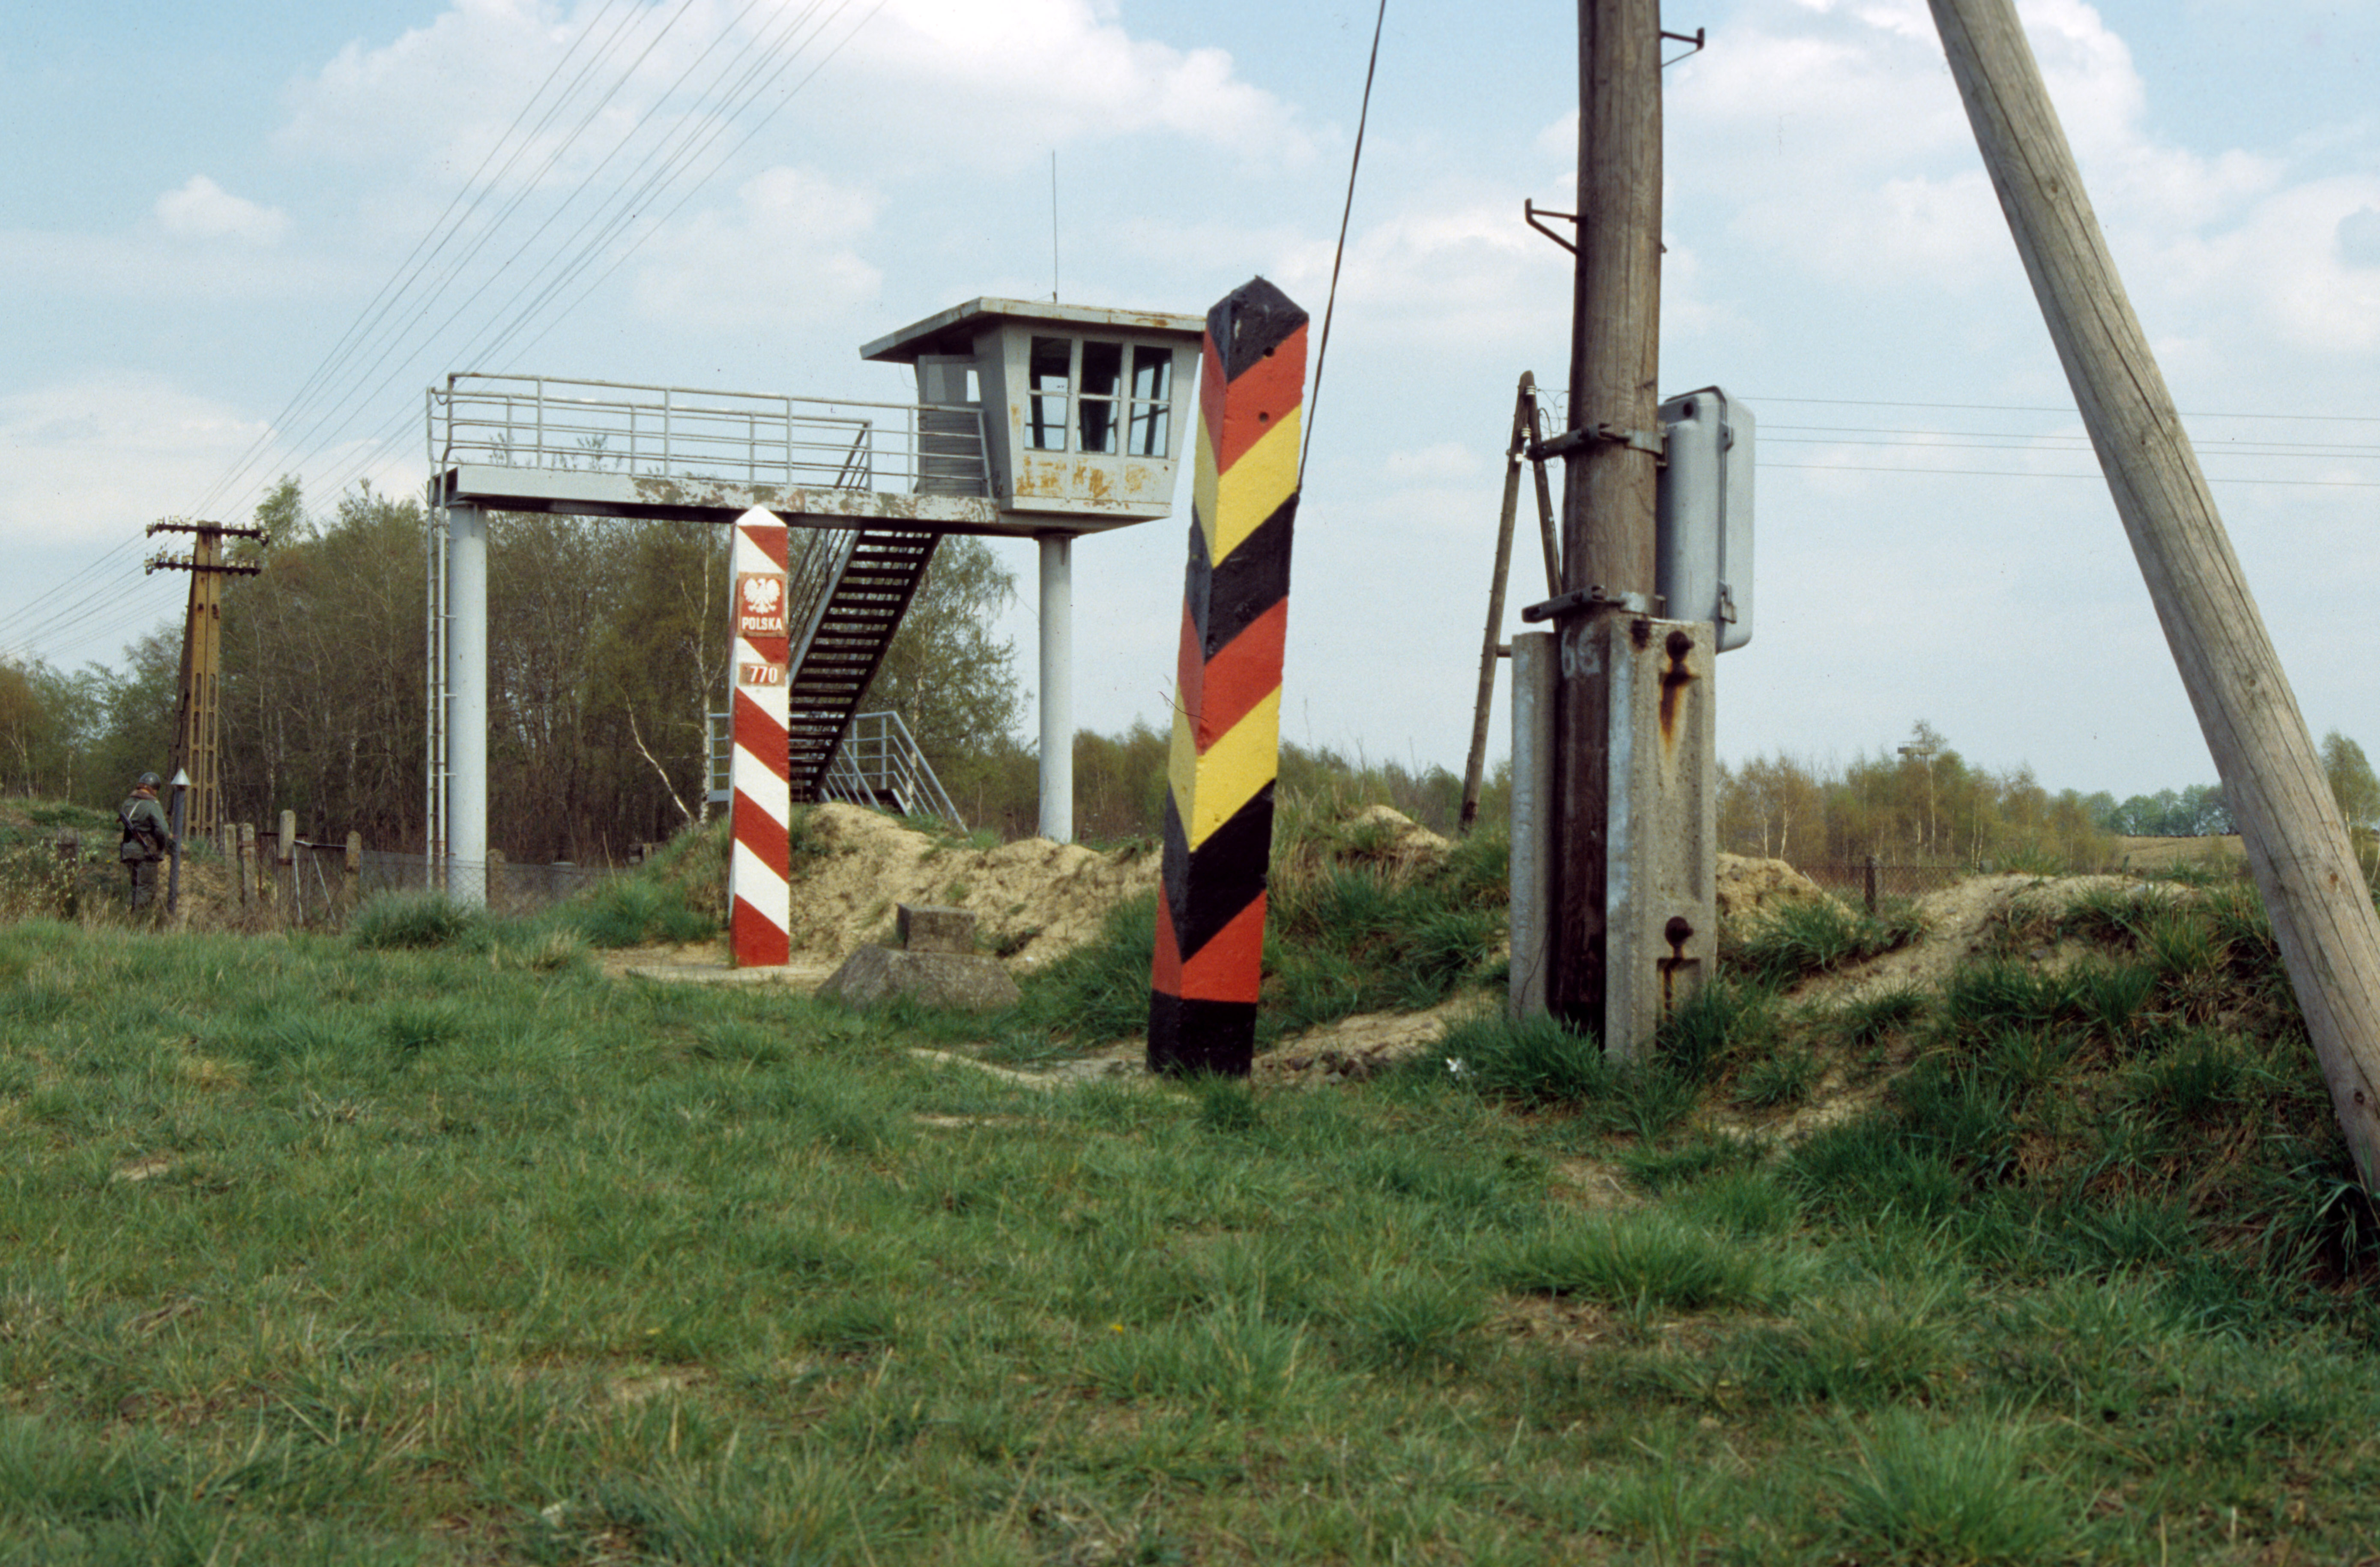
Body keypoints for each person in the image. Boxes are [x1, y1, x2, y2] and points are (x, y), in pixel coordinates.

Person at [118, 772, 177, 914]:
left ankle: (126, 918)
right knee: (146, 889)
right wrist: (162, 846)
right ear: (154, 789)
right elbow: (163, 830)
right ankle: (138, 924)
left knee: (134, 887)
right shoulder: (152, 805)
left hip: (128, 851)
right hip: (145, 853)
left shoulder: (128, 803)